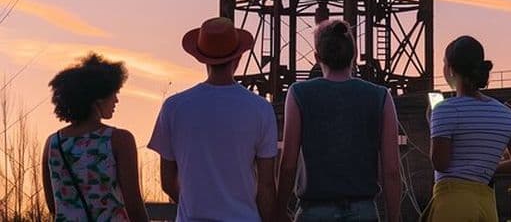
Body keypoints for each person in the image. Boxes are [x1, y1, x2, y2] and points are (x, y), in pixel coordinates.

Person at [148, 17, 278, 221]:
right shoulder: (260, 108)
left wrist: (197, 204)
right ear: (238, 58)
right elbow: (266, 186)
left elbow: (167, 181)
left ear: (201, 59)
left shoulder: (174, 107)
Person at [277, 19, 401, 222]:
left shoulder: (299, 93)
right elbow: (392, 171)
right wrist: (394, 218)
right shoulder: (380, 96)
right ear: (354, 54)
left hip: (314, 211)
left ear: (317, 57)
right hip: (363, 211)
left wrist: (279, 211)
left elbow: (288, 164)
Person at [422, 36, 511, 222]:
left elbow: (440, 163)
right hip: (486, 205)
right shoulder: (505, 113)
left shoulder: (445, 109)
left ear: (450, 69)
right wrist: (482, 168)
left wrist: (434, 124)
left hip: (452, 203)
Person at [42, 53, 149, 222]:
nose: (116, 100)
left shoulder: (53, 143)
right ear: (98, 99)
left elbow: (54, 205)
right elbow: (133, 204)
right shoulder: (119, 140)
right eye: (114, 93)